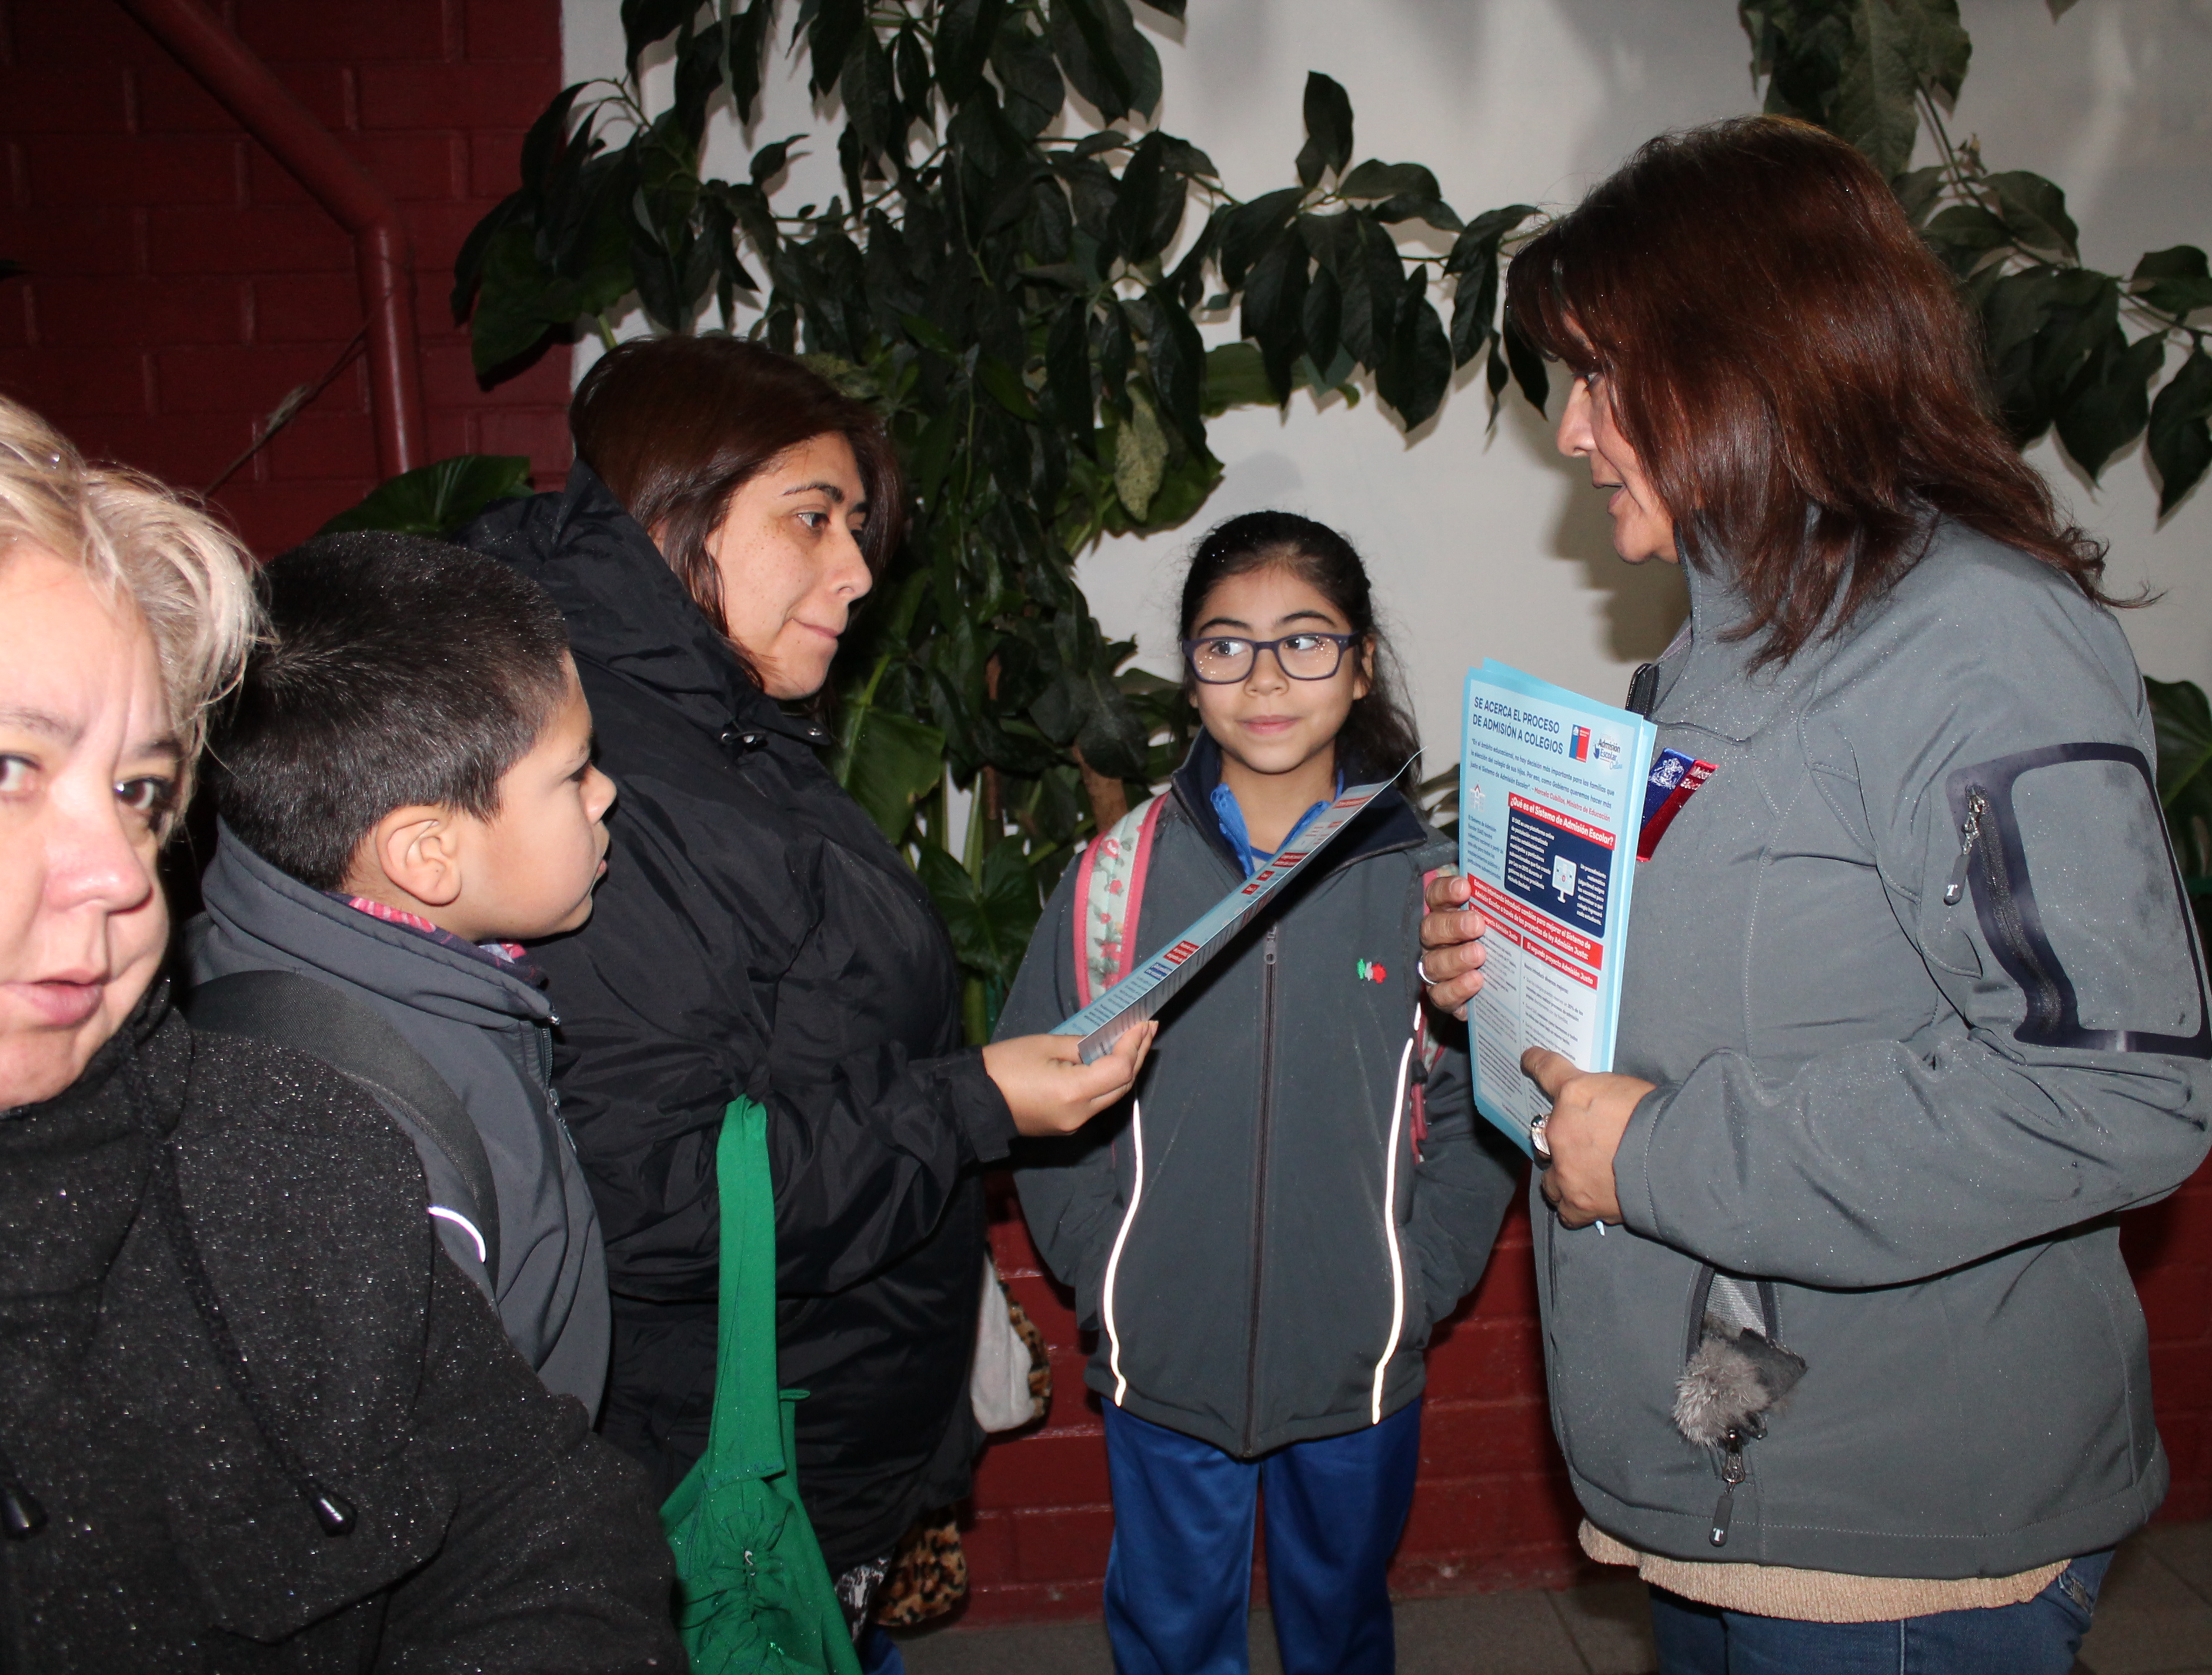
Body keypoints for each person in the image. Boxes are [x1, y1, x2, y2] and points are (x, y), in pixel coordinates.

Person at [1416, 118, 2212, 1674]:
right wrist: (1520, 957)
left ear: (1744, 359)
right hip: (1736, 1464)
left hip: (1895, 1526)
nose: (1573, 432)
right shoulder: (1721, 645)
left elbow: (2108, 1094)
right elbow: (1761, 961)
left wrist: (1656, 1151)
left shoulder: (1976, 646)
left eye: (1601, 375)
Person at [458, 334, 1149, 1660]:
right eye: (811, 517)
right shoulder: (613, 784)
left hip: (821, 1410)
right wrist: (972, 1102)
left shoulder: (714, 725)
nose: (858, 570)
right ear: (672, 508)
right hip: (737, 1448)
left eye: (856, 525)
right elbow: (659, 1197)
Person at [0, 393, 681, 1670]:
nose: (123, 871)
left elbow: (529, 1525)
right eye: (3, 768)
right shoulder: (361, 1094)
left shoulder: (284, 1145)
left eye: (139, 788)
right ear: (423, 853)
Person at [1000, 512, 1522, 1675]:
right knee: (1173, 1635)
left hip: (1358, 1359)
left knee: (1341, 1631)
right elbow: (1037, 1090)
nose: (1267, 678)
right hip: (1164, 1360)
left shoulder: (1433, 889)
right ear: (1192, 673)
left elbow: (1474, 1109)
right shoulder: (1115, 879)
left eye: (1306, 641)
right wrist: (1109, 1269)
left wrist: (1414, 1281)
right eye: (1227, 646)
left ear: (1361, 663)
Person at [188, 531, 619, 1413]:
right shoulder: (358, 1149)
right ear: (427, 856)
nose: (605, 792)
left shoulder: (272, 954)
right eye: (574, 775)